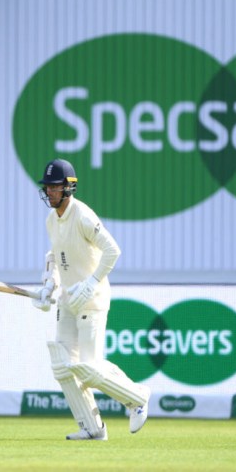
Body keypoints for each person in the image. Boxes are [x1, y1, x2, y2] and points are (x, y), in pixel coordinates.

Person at [31, 158, 150, 441]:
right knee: (62, 365)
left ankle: (138, 398)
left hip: (92, 299)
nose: (50, 192)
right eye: (47, 187)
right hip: (68, 300)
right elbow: (56, 256)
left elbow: (113, 250)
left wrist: (92, 282)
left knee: (89, 369)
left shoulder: (83, 215)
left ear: (69, 187)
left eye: (55, 187)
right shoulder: (51, 220)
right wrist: (49, 285)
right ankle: (92, 428)